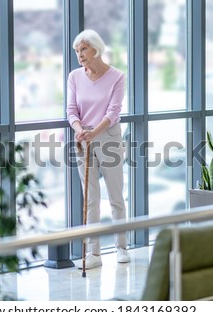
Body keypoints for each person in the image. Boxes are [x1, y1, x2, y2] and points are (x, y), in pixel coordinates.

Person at [67, 29, 130, 269]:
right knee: (90, 199)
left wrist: (95, 132)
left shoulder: (116, 76)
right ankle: (93, 253)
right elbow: (71, 109)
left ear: (96, 48)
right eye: (77, 51)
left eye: (83, 49)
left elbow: (114, 112)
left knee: (116, 196)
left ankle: (121, 247)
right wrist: (78, 129)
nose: (79, 54)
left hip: (109, 137)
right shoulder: (74, 77)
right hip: (83, 139)